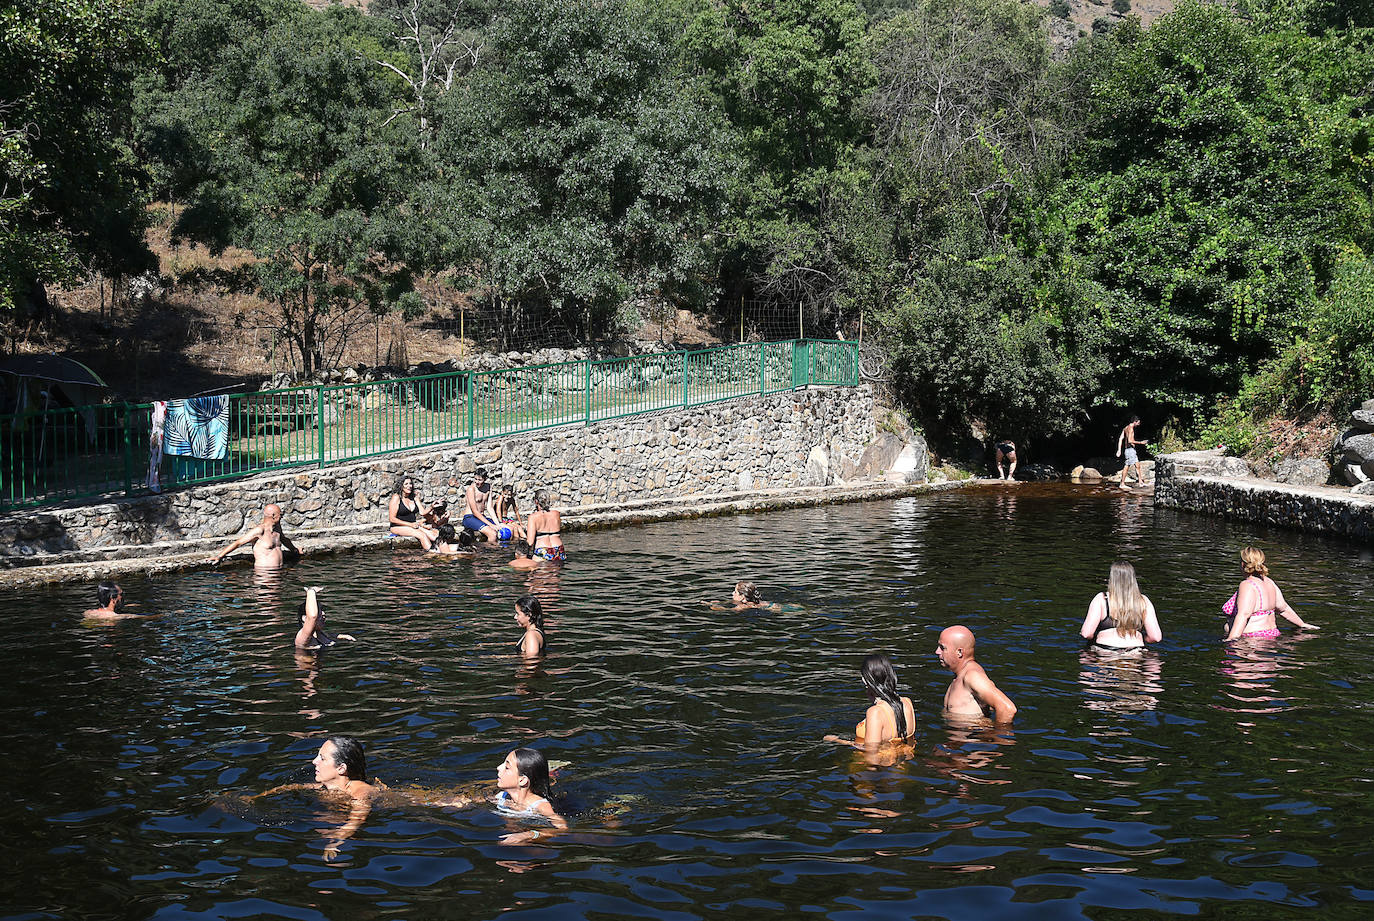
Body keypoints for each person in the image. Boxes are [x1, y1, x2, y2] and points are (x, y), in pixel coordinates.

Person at [256, 736, 377, 859]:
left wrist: (336, 839)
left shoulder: (361, 791)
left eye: (322, 758)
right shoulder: (322, 787)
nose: (314, 761)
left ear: (341, 768)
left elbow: (358, 818)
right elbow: (293, 787)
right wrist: (258, 796)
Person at [442, 748, 568, 845]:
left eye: (507, 767)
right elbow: (474, 800)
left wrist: (528, 835)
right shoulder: (503, 796)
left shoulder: (539, 805)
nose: (498, 768)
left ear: (522, 781)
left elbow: (562, 829)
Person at [824, 653, 916, 752]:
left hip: (881, 764)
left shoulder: (875, 713)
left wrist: (838, 741)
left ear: (867, 680)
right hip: (904, 761)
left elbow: (871, 755)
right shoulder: (907, 703)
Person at [1225, 546, 1319, 640]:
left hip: (1252, 639)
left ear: (1242, 564)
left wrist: (1232, 640)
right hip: (1272, 636)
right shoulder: (1269, 582)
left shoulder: (1247, 585)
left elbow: (1243, 615)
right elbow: (1283, 609)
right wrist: (1302, 624)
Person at [936, 625, 1017, 723]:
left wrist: (995, 736)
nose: (937, 652)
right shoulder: (960, 675)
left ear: (959, 652)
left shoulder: (972, 676)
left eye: (942, 648)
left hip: (971, 736)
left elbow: (1007, 709)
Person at [1079, 562, 1163, 649]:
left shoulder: (1102, 599)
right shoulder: (1144, 601)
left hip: (1105, 652)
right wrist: (1143, 638)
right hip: (1135, 652)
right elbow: (1155, 637)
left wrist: (1095, 637)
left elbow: (1086, 633)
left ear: (1112, 578)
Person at [210, 503, 300, 569]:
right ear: (273, 516)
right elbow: (238, 543)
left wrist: (294, 550)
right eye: (280, 514)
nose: (282, 517)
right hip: (265, 573)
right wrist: (219, 556)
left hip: (279, 571)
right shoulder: (259, 531)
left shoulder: (277, 529)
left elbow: (284, 540)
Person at [388, 475, 440, 550]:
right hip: (397, 527)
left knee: (433, 534)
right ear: (401, 486)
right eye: (406, 484)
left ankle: (443, 551)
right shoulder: (396, 497)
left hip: (413, 525)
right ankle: (432, 554)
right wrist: (410, 524)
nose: (409, 486)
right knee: (422, 535)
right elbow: (392, 519)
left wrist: (431, 507)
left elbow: (422, 512)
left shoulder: (414, 497)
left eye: (410, 483)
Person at [462, 468, 502, 542]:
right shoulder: (471, 489)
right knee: (492, 534)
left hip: (482, 517)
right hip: (470, 517)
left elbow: (490, 508)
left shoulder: (488, 487)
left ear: (485, 479)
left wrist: (497, 524)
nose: (477, 482)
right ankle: (488, 553)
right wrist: (491, 525)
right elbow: (475, 512)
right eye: (475, 479)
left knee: (507, 529)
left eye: (480, 480)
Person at [82, 581, 157, 620]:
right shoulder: (116, 617)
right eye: (121, 594)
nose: (123, 597)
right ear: (113, 598)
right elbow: (148, 617)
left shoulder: (88, 612)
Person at [527, 489, 565, 562]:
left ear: (536, 501)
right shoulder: (556, 514)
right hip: (559, 549)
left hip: (543, 550)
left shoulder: (533, 517)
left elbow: (530, 542)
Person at [1117, 416, 1147, 490]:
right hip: (1130, 450)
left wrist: (1119, 450)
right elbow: (1130, 440)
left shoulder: (1125, 428)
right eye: (1138, 422)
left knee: (1137, 465)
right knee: (1127, 466)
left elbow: (1120, 439)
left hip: (1130, 450)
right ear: (1135, 422)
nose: (1139, 424)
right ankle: (1122, 484)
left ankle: (1140, 482)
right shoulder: (1130, 429)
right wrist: (1141, 442)